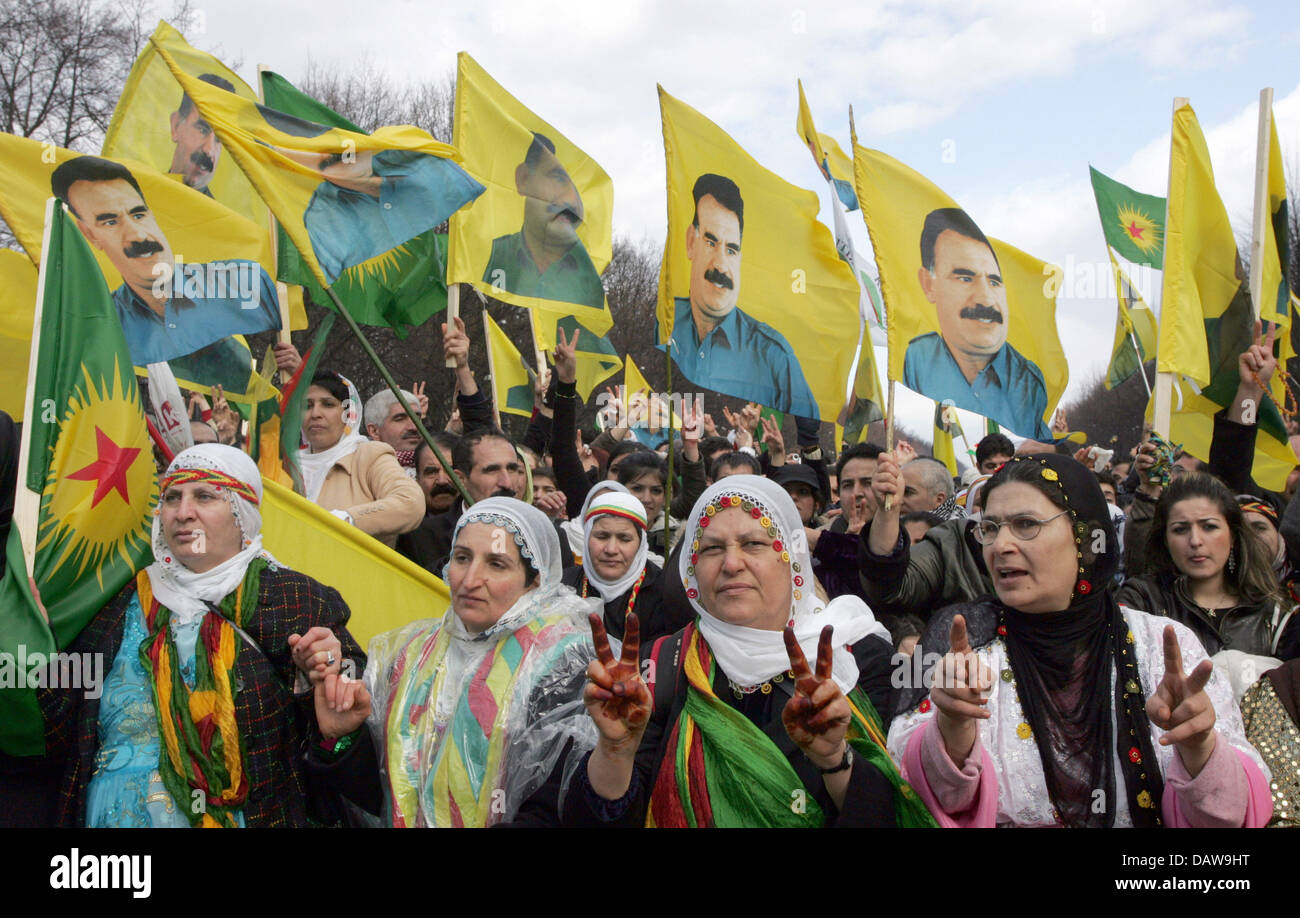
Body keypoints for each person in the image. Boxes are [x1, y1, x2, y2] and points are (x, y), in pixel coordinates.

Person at [888, 454, 1273, 827]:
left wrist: (1200, 748)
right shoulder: (964, 644)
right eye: (989, 528)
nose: (1000, 545)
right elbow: (921, 799)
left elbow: (1231, 816)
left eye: (1025, 524)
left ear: (1086, 538)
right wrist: (952, 731)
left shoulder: (1162, 646)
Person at [563, 475, 937, 827]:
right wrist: (616, 752)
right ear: (692, 570)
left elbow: (894, 810)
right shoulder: (659, 665)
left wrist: (835, 760)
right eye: (710, 549)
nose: (731, 563)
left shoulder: (853, 655)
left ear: (791, 557)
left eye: (753, 544)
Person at [35, 445, 377, 827]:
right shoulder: (116, 600)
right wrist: (37, 637)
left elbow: (347, 717)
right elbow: (55, 721)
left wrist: (322, 679)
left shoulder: (295, 600)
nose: (183, 513)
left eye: (204, 496)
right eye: (172, 497)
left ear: (241, 513)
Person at [341, 498, 599, 826]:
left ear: (535, 579)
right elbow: (380, 785)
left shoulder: (562, 662)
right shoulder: (408, 652)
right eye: (462, 558)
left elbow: (559, 803)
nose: (470, 579)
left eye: (496, 564)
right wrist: (343, 737)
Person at [50, 156, 280, 368]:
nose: (139, 236)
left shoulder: (245, 283)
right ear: (89, 235)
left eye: (139, 215)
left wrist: (296, 368)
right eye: (110, 222)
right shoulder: (101, 329)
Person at [666, 174, 819, 419]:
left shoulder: (774, 355)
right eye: (710, 242)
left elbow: (809, 437)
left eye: (731, 249)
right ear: (690, 242)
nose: (721, 265)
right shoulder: (662, 324)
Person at [1117, 473, 1292, 686]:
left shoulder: (1274, 616)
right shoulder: (1143, 601)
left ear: (1233, 536)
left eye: (1209, 526)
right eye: (1180, 529)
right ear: (1165, 539)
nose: (1195, 541)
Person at [903, 208, 1050, 440]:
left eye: (994, 281)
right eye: (965, 278)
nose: (985, 298)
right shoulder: (915, 359)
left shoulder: (1027, 383)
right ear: (928, 284)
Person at [298, 369, 424, 548]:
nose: (315, 413)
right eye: (307, 405)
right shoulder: (286, 464)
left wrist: (348, 519)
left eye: (328, 404)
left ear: (349, 413)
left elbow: (410, 503)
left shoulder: (369, 456)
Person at [482, 133, 605, 309]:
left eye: (579, 190)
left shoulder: (590, 282)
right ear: (523, 179)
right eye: (558, 178)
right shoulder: (489, 258)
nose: (571, 201)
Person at [562, 484, 689, 647]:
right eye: (602, 536)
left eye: (624, 539)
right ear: (587, 537)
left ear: (641, 543)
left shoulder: (662, 593)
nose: (611, 549)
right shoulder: (564, 586)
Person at [168, 74, 234, 195]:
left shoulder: (218, 214)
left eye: (220, 138)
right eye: (202, 129)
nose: (208, 149)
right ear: (176, 125)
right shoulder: (132, 202)